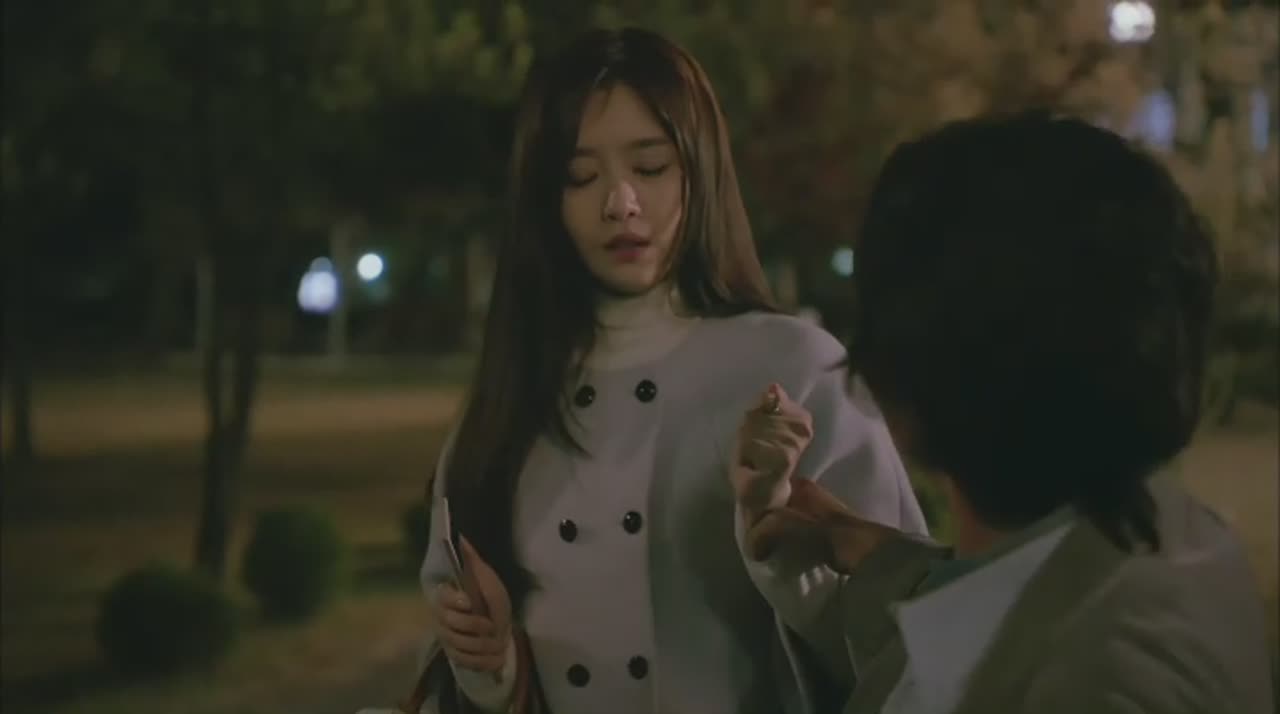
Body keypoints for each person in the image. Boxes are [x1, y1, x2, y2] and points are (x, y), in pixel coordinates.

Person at [412, 26, 927, 714]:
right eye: (580, 177)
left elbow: (907, 645)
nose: (620, 202)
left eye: (651, 167)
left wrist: (781, 539)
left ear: (700, 172)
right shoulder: (510, 397)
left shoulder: (795, 368)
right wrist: (492, 669)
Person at [730, 111, 1277, 713]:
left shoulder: (1099, 683)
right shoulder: (1185, 544)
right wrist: (884, 560)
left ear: (898, 393)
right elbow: (1009, 627)